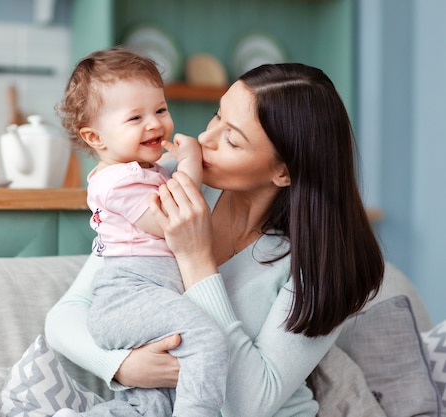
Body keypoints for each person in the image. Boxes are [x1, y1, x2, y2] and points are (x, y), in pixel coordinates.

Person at [45, 61, 385, 417]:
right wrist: (124, 365)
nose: (206, 139)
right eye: (216, 115)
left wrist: (196, 260)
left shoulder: (323, 265)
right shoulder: (168, 185)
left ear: (283, 172)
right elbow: (66, 315)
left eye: (232, 139)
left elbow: (251, 403)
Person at [52, 47, 228, 417]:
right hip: (127, 296)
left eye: (160, 110)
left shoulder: (145, 171)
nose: (154, 124)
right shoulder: (117, 181)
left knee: (153, 404)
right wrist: (191, 163)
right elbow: (170, 219)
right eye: (135, 117)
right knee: (208, 339)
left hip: (148, 297)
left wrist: (175, 165)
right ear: (96, 138)